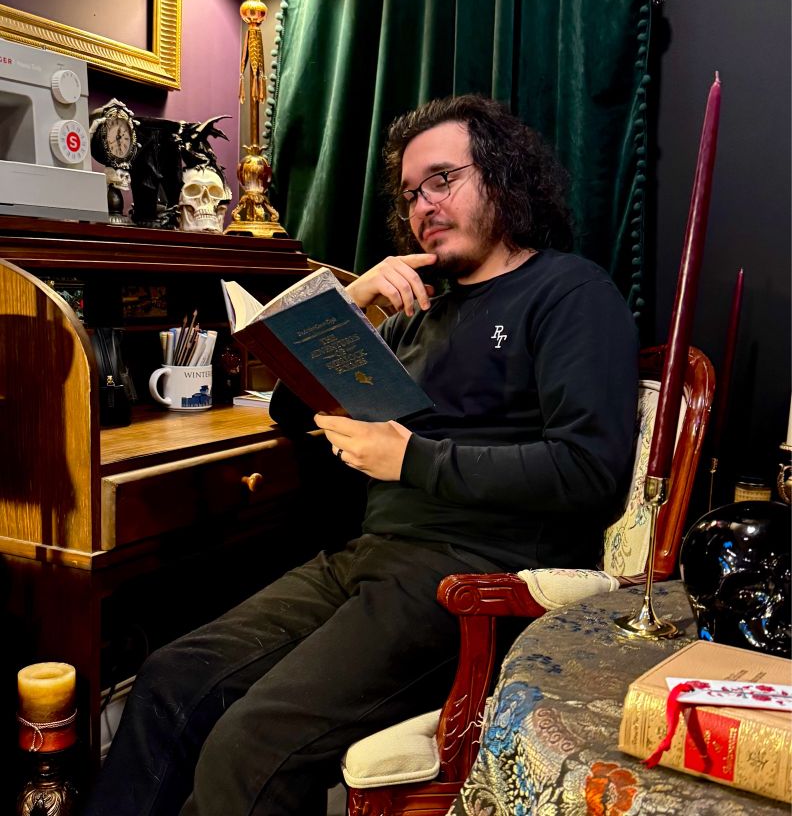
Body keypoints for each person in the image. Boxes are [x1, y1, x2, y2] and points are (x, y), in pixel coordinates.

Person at [86, 94, 638, 816]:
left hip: (469, 573)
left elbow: (589, 472)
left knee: (249, 746)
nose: (424, 205)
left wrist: (411, 458)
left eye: (443, 179)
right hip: (368, 558)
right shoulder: (418, 315)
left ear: (502, 177)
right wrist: (356, 304)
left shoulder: (568, 291)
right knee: (171, 677)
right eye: (412, 193)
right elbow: (293, 411)